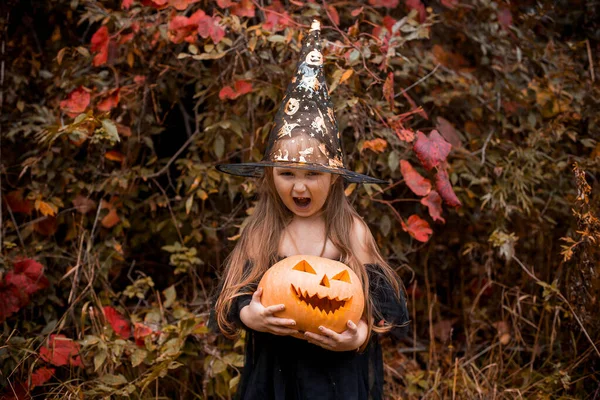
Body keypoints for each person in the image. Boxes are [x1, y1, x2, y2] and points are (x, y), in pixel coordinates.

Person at [212, 20, 409, 400]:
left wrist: (359, 336)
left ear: (334, 178)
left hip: (335, 375)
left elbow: (381, 305)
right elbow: (234, 296)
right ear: (271, 178)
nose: (299, 186)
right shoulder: (263, 231)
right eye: (286, 173)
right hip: (276, 373)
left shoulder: (351, 231)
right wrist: (249, 316)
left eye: (312, 173)